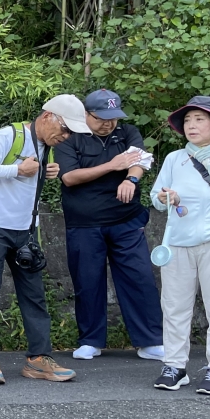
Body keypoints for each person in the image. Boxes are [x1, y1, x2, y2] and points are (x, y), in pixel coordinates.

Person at [0, 95, 89, 385]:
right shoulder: (9, 135)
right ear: (47, 117)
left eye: (70, 132)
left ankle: (38, 359)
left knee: (34, 296)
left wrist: (47, 172)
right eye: (65, 129)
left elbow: (28, 183)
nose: (66, 136)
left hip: (26, 230)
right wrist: (18, 169)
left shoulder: (49, 145)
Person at [54, 90, 164, 362]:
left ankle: (150, 340)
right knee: (87, 281)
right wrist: (112, 165)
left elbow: (139, 161)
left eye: (113, 118)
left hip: (126, 220)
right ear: (86, 115)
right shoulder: (70, 137)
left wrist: (131, 179)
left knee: (139, 278)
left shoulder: (127, 133)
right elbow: (69, 177)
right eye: (101, 118)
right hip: (84, 223)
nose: (108, 123)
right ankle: (91, 340)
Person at [149, 96, 210, 396]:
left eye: (199, 119)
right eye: (187, 120)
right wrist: (163, 198)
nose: (191, 125)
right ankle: (174, 365)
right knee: (173, 306)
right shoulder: (176, 158)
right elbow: (155, 196)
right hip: (178, 241)